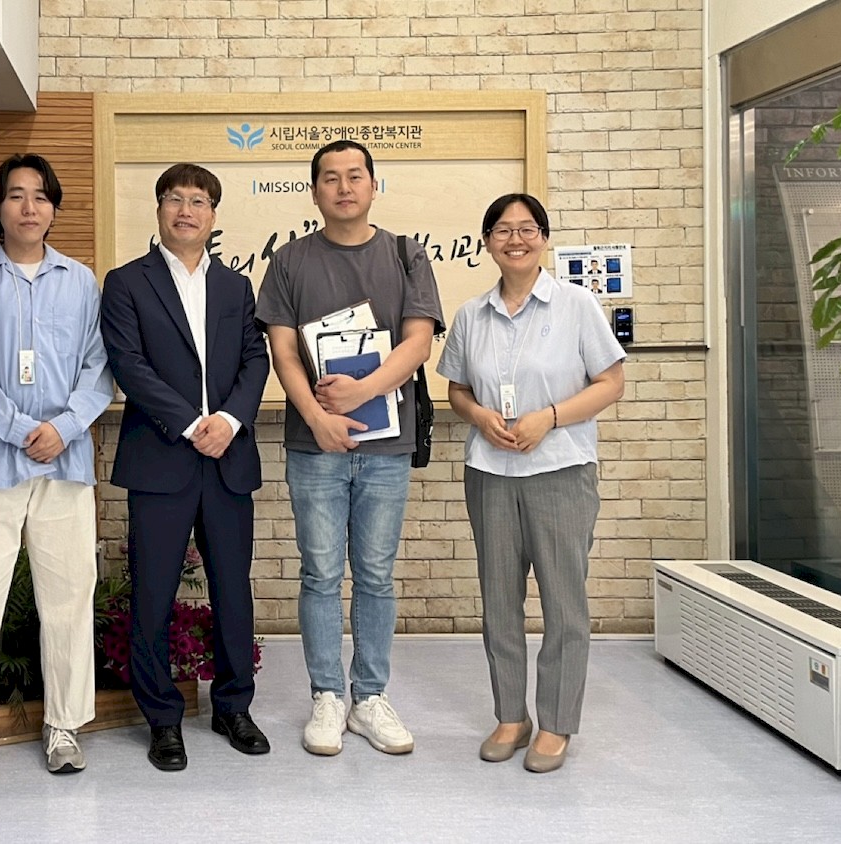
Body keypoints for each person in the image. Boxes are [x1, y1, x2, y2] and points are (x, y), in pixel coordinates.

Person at [255, 140, 443, 757]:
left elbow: (418, 343)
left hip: (386, 446)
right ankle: (327, 695)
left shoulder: (406, 255)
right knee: (319, 572)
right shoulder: (289, 262)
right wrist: (317, 417)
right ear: (314, 191)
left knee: (376, 575)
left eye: (355, 176)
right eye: (330, 178)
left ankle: (370, 697)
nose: (343, 187)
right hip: (315, 447)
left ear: (373, 185)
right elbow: (283, 352)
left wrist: (362, 390)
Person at [0, 153, 112, 789]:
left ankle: (64, 724)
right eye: (15, 195)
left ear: (54, 208)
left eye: (40, 196)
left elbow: (99, 369)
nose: (29, 207)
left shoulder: (81, 282)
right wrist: (18, 430)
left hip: (65, 462)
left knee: (68, 598)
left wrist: (63, 428)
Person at [435, 193, 625, 773]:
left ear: (543, 237)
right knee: (499, 602)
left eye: (526, 229)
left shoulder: (576, 305)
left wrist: (551, 417)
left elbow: (611, 382)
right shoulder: (472, 315)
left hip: (561, 471)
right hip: (490, 475)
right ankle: (511, 717)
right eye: (502, 230)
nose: (514, 239)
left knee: (564, 604)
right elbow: (456, 390)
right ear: (487, 242)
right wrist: (478, 416)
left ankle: (557, 722)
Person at [100, 163, 272, 771]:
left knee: (232, 589)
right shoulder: (127, 282)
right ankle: (162, 718)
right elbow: (128, 363)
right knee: (152, 593)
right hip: (161, 457)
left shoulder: (235, 287)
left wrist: (228, 420)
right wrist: (190, 422)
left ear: (213, 215)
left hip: (227, 458)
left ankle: (233, 706)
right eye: (175, 199)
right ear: (159, 209)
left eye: (198, 201)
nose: (186, 210)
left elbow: (255, 359)